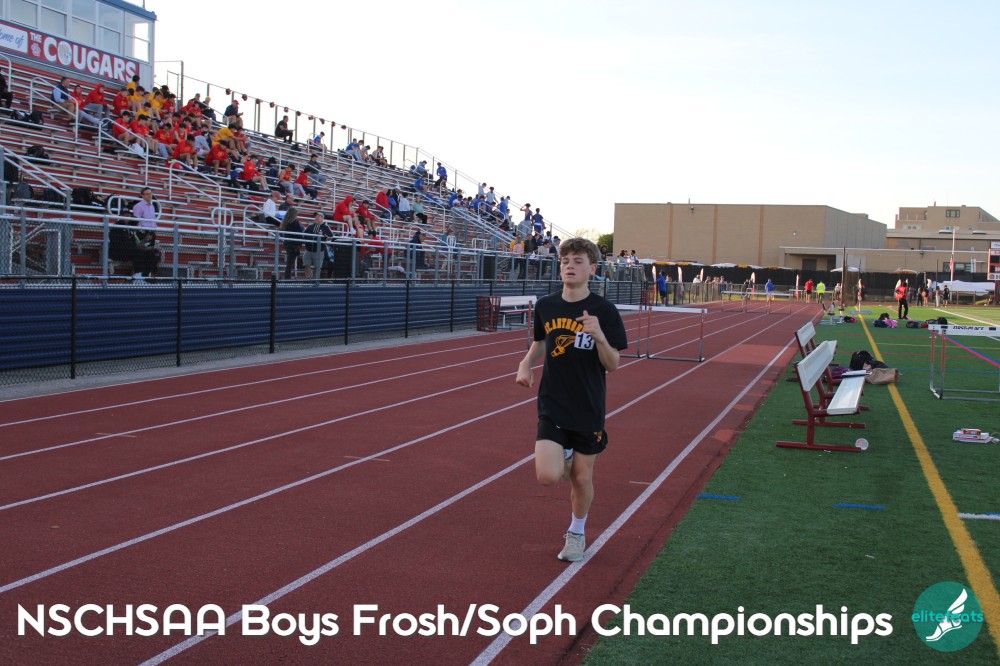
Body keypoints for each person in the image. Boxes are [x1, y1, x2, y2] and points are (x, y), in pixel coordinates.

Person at [515, 237, 628, 562]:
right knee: (547, 476)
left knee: (581, 478)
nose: (569, 266)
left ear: (592, 269)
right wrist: (525, 363)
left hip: (588, 406)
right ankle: (563, 452)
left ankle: (576, 533)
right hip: (552, 402)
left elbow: (613, 364)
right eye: (565, 261)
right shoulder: (547, 306)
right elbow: (541, 341)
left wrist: (600, 336)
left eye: (578, 261)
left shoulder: (604, 311)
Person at [302, 212, 334, 279]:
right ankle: (309, 280)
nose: (316, 218)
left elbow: (331, 236)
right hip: (308, 250)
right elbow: (304, 235)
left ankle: (315, 281)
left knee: (317, 267)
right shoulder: (310, 226)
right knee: (306, 265)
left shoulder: (326, 227)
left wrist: (323, 234)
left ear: (322, 218)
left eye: (319, 217)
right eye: (316, 216)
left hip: (319, 251)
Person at [280, 208, 304, 279]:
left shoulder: (285, 221)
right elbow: (298, 232)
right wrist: (301, 226)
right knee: (290, 263)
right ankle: (287, 278)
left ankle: (287, 277)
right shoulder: (294, 222)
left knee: (289, 262)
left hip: (287, 243)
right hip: (293, 244)